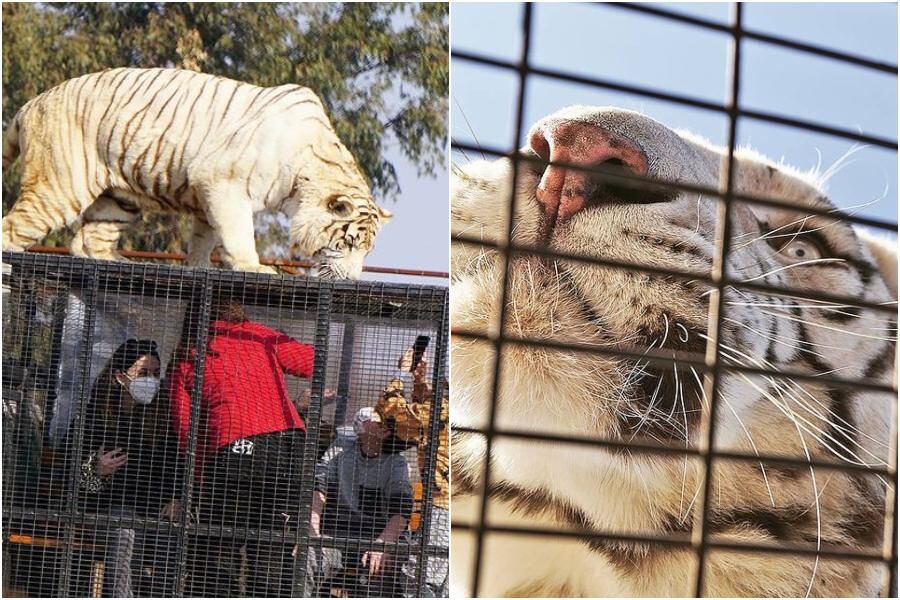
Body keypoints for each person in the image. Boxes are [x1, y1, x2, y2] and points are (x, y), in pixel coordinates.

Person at [167, 297, 314, 597]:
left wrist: (201, 477)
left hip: (236, 449)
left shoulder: (189, 354)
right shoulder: (258, 334)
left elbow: (186, 430)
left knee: (218, 549)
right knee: (272, 552)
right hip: (289, 449)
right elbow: (312, 361)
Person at [66, 338, 181, 597]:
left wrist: (176, 498)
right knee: (125, 530)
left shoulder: (164, 419)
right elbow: (71, 473)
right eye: (142, 373)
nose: (150, 380)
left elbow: (178, 467)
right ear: (120, 376)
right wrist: (96, 470)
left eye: (154, 373)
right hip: (108, 510)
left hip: (154, 511)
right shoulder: (95, 417)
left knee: (171, 534)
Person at [308, 407, 414, 597]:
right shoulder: (340, 450)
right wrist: (312, 532)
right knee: (309, 559)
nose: (383, 424)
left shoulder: (398, 464)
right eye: (376, 420)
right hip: (339, 533)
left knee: (382, 570)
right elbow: (318, 490)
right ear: (360, 428)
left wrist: (383, 545)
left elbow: (402, 511)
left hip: (379, 535)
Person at [375, 347, 449, 597]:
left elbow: (394, 412)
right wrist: (418, 381)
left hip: (444, 506)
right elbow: (423, 416)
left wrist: (400, 373)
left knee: (417, 578)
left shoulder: (441, 409)